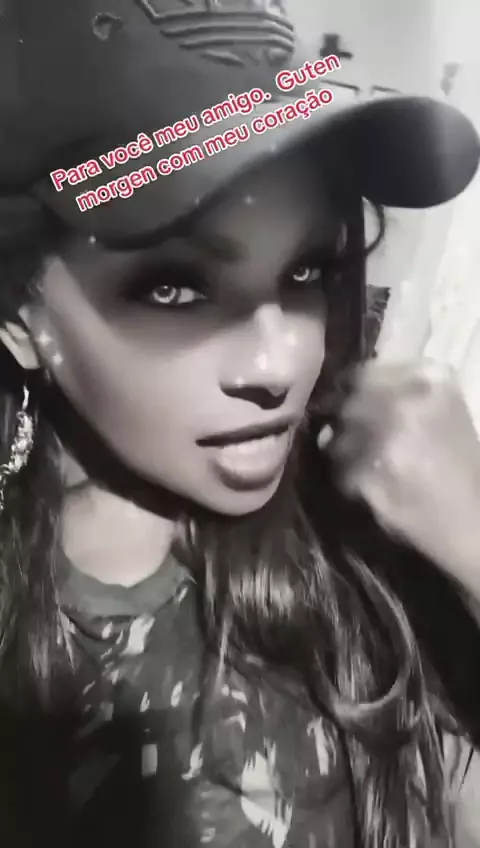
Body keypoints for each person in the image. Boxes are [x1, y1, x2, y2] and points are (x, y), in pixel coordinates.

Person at [1, 2, 480, 847]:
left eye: (308, 271)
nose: (281, 362)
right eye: (174, 287)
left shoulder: (377, 544)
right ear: (19, 315)